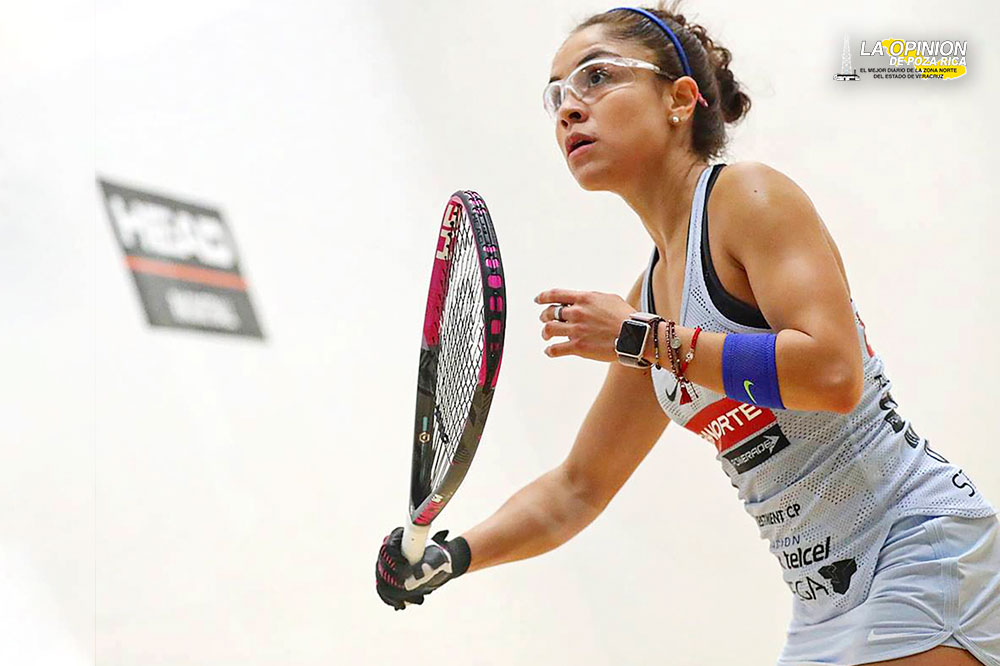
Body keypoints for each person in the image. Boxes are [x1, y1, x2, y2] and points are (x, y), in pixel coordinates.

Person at [375, 4, 1000, 665]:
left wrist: (645, 341)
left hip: (918, 547)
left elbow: (834, 375)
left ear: (679, 99)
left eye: (596, 77)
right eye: (556, 95)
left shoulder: (749, 197)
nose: (569, 108)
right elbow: (577, 489)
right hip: (824, 604)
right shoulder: (650, 296)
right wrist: (452, 556)